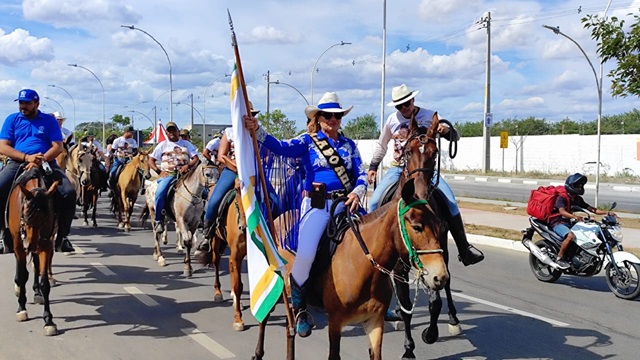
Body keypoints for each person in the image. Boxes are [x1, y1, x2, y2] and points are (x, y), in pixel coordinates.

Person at [245, 92, 367, 338]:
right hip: (318, 205)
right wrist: (257, 129)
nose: (333, 120)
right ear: (319, 118)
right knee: (306, 255)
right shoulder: (307, 142)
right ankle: (300, 308)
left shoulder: (349, 146)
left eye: (337, 116)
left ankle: (375, 299)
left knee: (375, 243)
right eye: (328, 116)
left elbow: (362, 173)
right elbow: (279, 146)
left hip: (347, 203)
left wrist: (357, 191)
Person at [367, 84, 484, 267]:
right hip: (399, 168)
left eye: (406, 103)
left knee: (451, 202)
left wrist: (445, 131)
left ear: (413, 100)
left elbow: (454, 136)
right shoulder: (391, 120)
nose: (404, 108)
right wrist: (373, 166)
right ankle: (370, 250)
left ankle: (464, 249)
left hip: (426, 170)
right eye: (399, 106)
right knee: (374, 202)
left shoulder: (430, 116)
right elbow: (382, 145)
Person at [0, 89, 76, 254]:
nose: (23, 106)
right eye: (21, 103)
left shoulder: (49, 121)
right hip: (18, 161)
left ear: (37, 103)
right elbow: (3, 146)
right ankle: (3, 234)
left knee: (69, 192)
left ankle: (62, 237)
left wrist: (39, 160)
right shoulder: (12, 120)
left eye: (27, 103)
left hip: (46, 162)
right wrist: (27, 158)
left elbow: (58, 146)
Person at [202, 102, 260, 238]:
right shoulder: (229, 132)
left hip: (254, 171)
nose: (248, 117)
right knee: (215, 199)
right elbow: (222, 155)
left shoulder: (258, 132)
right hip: (232, 171)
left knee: (274, 199)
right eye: (245, 115)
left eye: (251, 115)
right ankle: (208, 232)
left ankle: (275, 234)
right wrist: (235, 165)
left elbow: (266, 153)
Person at [550, 173, 615, 269]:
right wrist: (575, 216)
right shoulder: (562, 197)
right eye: (577, 185)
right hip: (557, 222)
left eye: (581, 185)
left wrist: (607, 212)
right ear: (571, 186)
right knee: (570, 236)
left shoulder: (577, 199)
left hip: (568, 221)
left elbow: (592, 209)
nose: (580, 187)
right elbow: (562, 211)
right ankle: (559, 258)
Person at [148, 122, 199, 233]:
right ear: (166, 132)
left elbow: (195, 158)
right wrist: (158, 171)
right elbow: (151, 160)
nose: (172, 133)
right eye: (169, 131)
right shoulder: (162, 145)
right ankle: (159, 220)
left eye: (173, 130)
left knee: (203, 191)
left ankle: (203, 219)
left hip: (186, 175)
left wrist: (188, 165)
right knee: (160, 193)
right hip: (169, 174)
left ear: (178, 131)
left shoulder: (186, 144)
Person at [108, 126, 138, 197]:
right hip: (119, 160)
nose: (132, 134)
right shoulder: (117, 140)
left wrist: (132, 154)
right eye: (131, 133)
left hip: (129, 160)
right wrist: (117, 154)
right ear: (126, 132)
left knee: (139, 172)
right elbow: (112, 151)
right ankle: (113, 189)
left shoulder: (133, 141)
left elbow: (135, 151)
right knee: (112, 174)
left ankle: (140, 187)